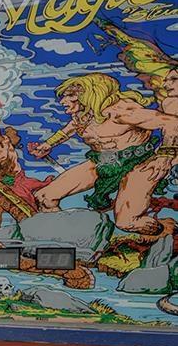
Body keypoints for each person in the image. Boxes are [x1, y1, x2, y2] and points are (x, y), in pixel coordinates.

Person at [28, 73, 178, 233]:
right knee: (45, 197)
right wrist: (47, 144)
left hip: (139, 162)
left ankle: (165, 232)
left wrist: (165, 156)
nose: (63, 101)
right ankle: (66, 237)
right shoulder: (83, 116)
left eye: (70, 96)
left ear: (91, 94)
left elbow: (172, 123)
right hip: (103, 162)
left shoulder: (122, 111)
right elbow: (68, 130)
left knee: (127, 222)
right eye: (64, 96)